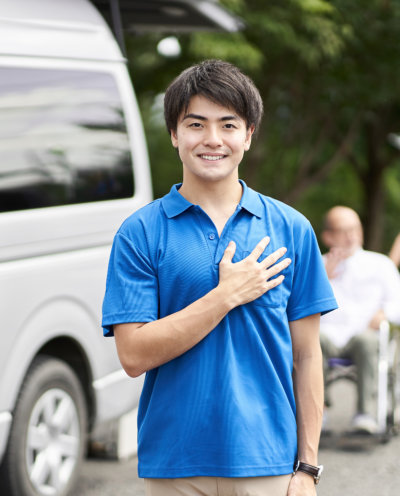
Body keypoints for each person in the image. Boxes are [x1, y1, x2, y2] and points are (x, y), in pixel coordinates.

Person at [102, 59, 337, 496]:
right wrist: (225, 295)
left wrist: (307, 467)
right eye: (196, 124)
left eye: (228, 125)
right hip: (174, 464)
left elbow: (307, 356)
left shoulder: (291, 229)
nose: (212, 140)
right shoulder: (140, 232)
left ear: (248, 135)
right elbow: (132, 355)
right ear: (174, 134)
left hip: (269, 462)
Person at [320, 206, 400, 434]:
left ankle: (365, 414)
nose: (351, 236)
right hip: (327, 336)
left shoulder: (381, 264)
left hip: (364, 337)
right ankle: (319, 410)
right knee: (312, 340)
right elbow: (296, 306)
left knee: (367, 340)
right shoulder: (317, 265)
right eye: (344, 230)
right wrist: (322, 278)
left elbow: (397, 302)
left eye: (355, 229)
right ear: (328, 236)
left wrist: (384, 314)